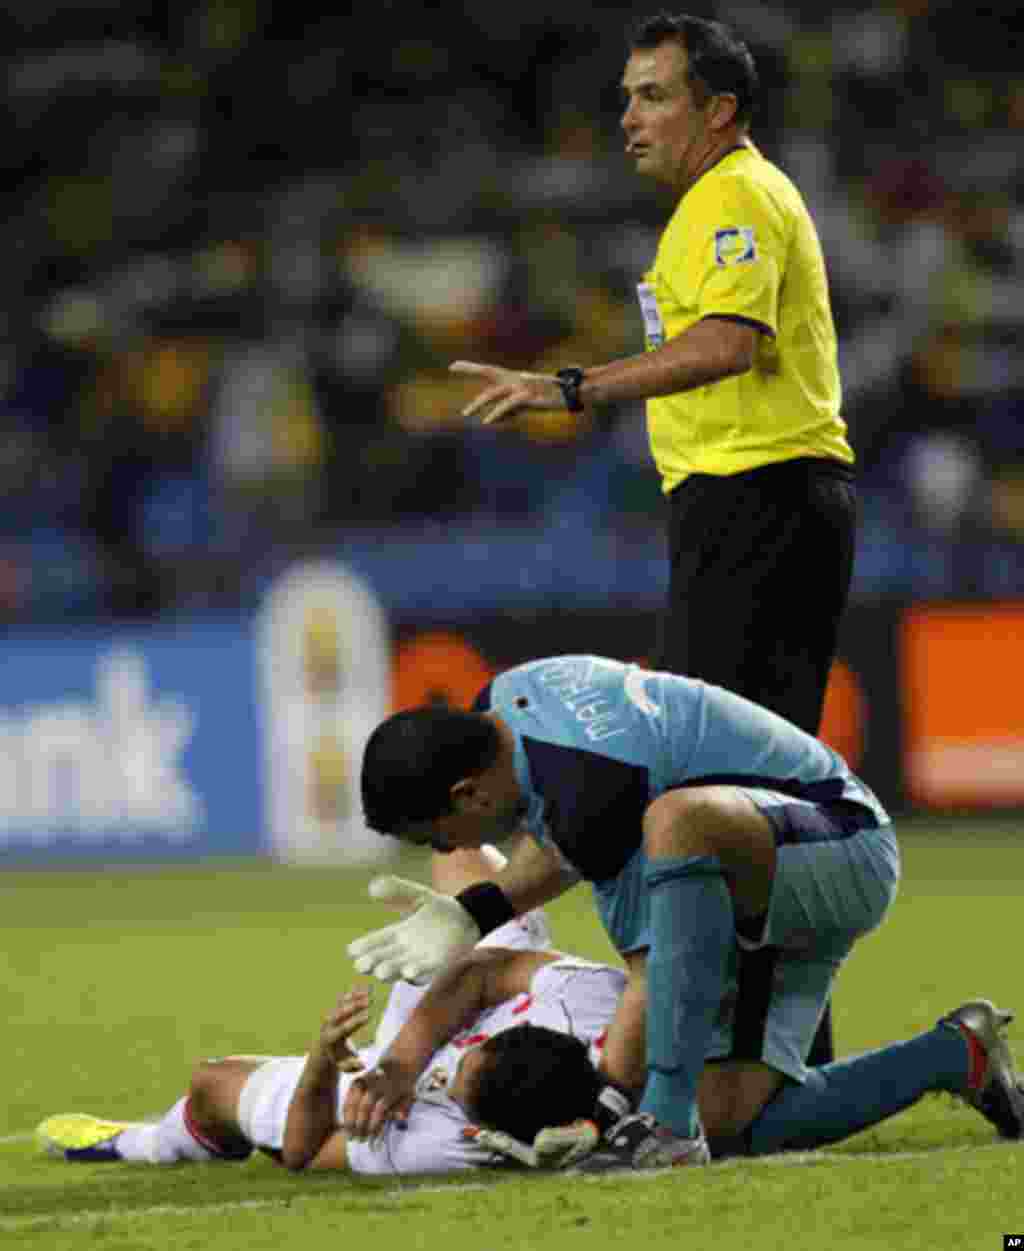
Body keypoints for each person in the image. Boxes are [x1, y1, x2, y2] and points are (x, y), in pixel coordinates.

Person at [451, 13, 858, 1066]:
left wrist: (569, 389)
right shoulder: (707, 207)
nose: (627, 116)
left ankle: (767, 1055)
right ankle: (783, 1050)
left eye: (653, 96)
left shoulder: (735, 198)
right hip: (740, 505)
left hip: (762, 501)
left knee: (709, 797)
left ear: (716, 109)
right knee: (730, 798)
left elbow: (726, 345)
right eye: (627, 95)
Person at [347, 654, 1022, 1168]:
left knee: (675, 822)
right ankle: (956, 1052)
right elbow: (576, 839)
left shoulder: (590, 791)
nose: (446, 849)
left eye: (435, 835)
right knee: (730, 1120)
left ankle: (667, 1124)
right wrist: (478, 908)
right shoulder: (508, 705)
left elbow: (653, 972)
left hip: (840, 841)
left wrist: (604, 1108)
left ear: (466, 793)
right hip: (756, 860)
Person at [34, 848, 613, 1176]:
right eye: (469, 1059)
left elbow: (306, 1151)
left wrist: (324, 1058)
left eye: (456, 1085)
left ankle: (146, 1143)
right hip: (464, 990)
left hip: (376, 1073)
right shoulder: (590, 1005)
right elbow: (484, 973)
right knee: (459, 852)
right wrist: (459, 926)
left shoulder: (441, 1145)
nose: (451, 1071)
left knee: (212, 1084)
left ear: (484, 1128)